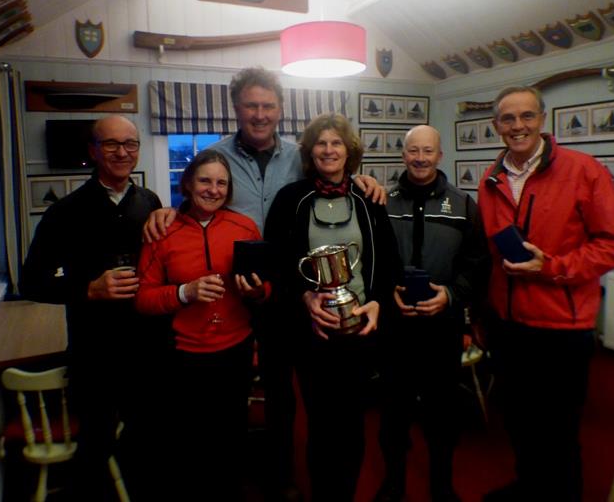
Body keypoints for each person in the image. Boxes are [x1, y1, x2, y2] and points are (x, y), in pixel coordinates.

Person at [144, 67, 384, 501]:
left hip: (289, 288)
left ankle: (290, 475)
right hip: (230, 290)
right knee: (243, 395)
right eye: (251, 105)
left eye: (267, 106)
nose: (259, 114)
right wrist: (161, 210)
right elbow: (198, 199)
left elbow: (334, 176)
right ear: (237, 108)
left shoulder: (300, 154)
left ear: (280, 110)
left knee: (289, 391)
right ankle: (251, 476)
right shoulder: (214, 155)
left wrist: (363, 181)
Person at [477, 86, 614, 502]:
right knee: (517, 419)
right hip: (508, 325)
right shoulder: (490, 177)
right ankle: (528, 487)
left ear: (542, 120)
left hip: (561, 328)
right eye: (508, 119)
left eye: (526, 116)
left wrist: (551, 267)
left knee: (559, 430)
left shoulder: (584, 171)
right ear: (497, 125)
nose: (518, 126)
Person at [21, 115, 164, 500]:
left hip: (146, 346)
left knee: (145, 439)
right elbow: (30, 282)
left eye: (130, 144)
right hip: (93, 351)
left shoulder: (149, 202)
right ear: (93, 152)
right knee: (96, 446)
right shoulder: (64, 212)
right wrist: (88, 289)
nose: (122, 152)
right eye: (111, 144)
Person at [263, 113, 401, 502]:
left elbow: (389, 261)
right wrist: (303, 297)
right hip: (312, 331)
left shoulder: (369, 197)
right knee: (321, 424)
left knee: (353, 424)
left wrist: (376, 303)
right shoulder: (291, 199)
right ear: (310, 152)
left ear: (349, 150)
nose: (328, 150)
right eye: (321, 143)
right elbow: (276, 261)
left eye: (336, 143)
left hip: (360, 328)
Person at [135, 149, 267, 501]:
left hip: (235, 348)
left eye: (221, 183)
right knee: (188, 441)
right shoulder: (161, 231)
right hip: (183, 354)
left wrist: (257, 291)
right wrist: (184, 292)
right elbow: (143, 299)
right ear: (188, 184)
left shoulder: (245, 227)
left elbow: (267, 287)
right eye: (205, 181)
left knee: (231, 436)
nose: (214, 189)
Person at [374, 125, 489, 502]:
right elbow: (371, 260)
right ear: (403, 154)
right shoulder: (381, 202)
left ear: (440, 155)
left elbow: (477, 265)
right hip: (395, 326)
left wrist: (452, 296)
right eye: (412, 151)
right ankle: (393, 483)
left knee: (442, 414)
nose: (420, 158)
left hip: (442, 326)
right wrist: (385, 290)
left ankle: (442, 484)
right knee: (393, 412)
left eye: (427, 151)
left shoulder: (463, 205)